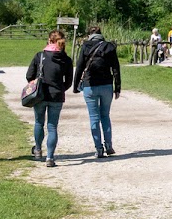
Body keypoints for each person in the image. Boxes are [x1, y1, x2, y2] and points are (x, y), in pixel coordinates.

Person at [72, 25, 122, 158]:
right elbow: (116, 68)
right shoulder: (109, 47)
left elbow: (80, 66)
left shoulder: (86, 46)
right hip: (106, 85)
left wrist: (75, 85)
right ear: (101, 34)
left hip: (90, 85)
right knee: (105, 115)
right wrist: (117, 87)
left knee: (94, 117)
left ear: (89, 34)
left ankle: (98, 148)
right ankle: (109, 145)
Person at [26, 30, 73, 167]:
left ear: (49, 40)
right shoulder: (66, 59)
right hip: (57, 95)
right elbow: (69, 81)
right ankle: (50, 157)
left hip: (40, 95)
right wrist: (60, 89)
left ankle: (38, 150)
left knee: (39, 122)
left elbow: (29, 75)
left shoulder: (40, 56)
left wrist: (35, 83)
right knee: (52, 127)